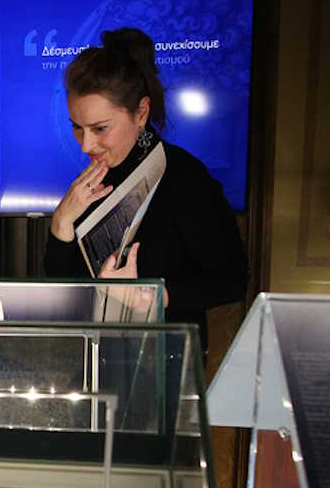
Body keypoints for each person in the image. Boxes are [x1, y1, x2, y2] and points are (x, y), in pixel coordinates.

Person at [44, 27, 248, 351]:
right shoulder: (92, 180)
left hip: (165, 358)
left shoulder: (186, 178)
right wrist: (61, 224)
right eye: (77, 128)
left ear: (141, 113)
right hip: (94, 354)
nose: (86, 145)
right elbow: (62, 286)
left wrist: (149, 296)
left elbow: (232, 282)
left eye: (100, 129)